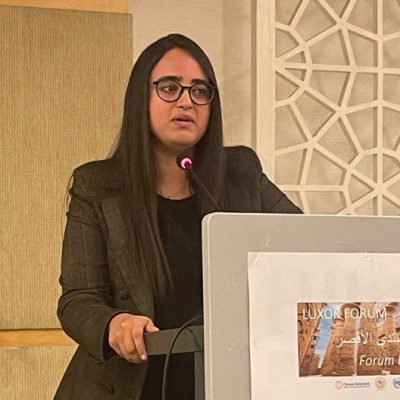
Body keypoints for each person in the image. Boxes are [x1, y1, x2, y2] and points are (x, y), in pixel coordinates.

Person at [54, 33, 302, 400]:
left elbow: (304, 244)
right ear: (141, 97)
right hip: (127, 385)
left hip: (223, 383)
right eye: (170, 87)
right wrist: (114, 323)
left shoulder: (241, 173)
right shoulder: (99, 186)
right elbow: (78, 300)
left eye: (200, 91)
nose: (187, 100)